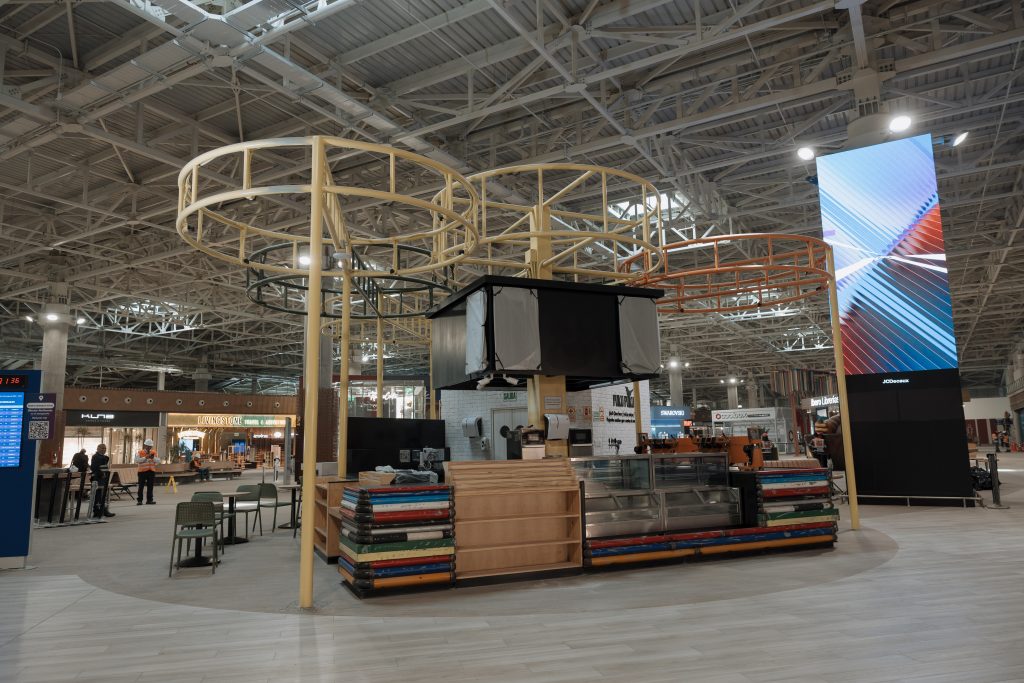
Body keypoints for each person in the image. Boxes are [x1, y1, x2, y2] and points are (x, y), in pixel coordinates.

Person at [90, 444, 115, 518]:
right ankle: (98, 511)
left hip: (103, 478)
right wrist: (101, 474)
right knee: (98, 495)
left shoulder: (104, 457)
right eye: (102, 448)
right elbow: (94, 467)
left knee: (102, 495)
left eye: (105, 448)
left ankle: (102, 510)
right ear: (98, 448)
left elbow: (104, 465)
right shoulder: (96, 456)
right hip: (98, 478)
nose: (104, 449)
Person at [136, 439, 158, 505]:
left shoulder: (154, 452)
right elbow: (137, 460)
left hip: (151, 471)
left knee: (150, 486)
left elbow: (158, 461)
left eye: (150, 446)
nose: (149, 447)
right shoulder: (140, 452)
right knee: (141, 486)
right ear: (145, 445)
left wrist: (153, 458)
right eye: (148, 446)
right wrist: (145, 457)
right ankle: (139, 500)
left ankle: (149, 500)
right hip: (142, 472)